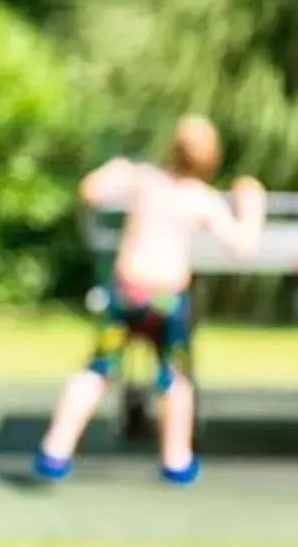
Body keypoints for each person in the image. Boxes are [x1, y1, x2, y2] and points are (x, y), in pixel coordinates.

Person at [33, 115, 265, 487]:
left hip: (127, 294)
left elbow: (90, 190)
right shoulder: (200, 199)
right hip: (167, 301)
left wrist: (115, 168)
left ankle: (56, 449)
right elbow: (242, 246)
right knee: (176, 377)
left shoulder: (145, 182)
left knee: (97, 370)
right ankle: (177, 459)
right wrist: (252, 205)